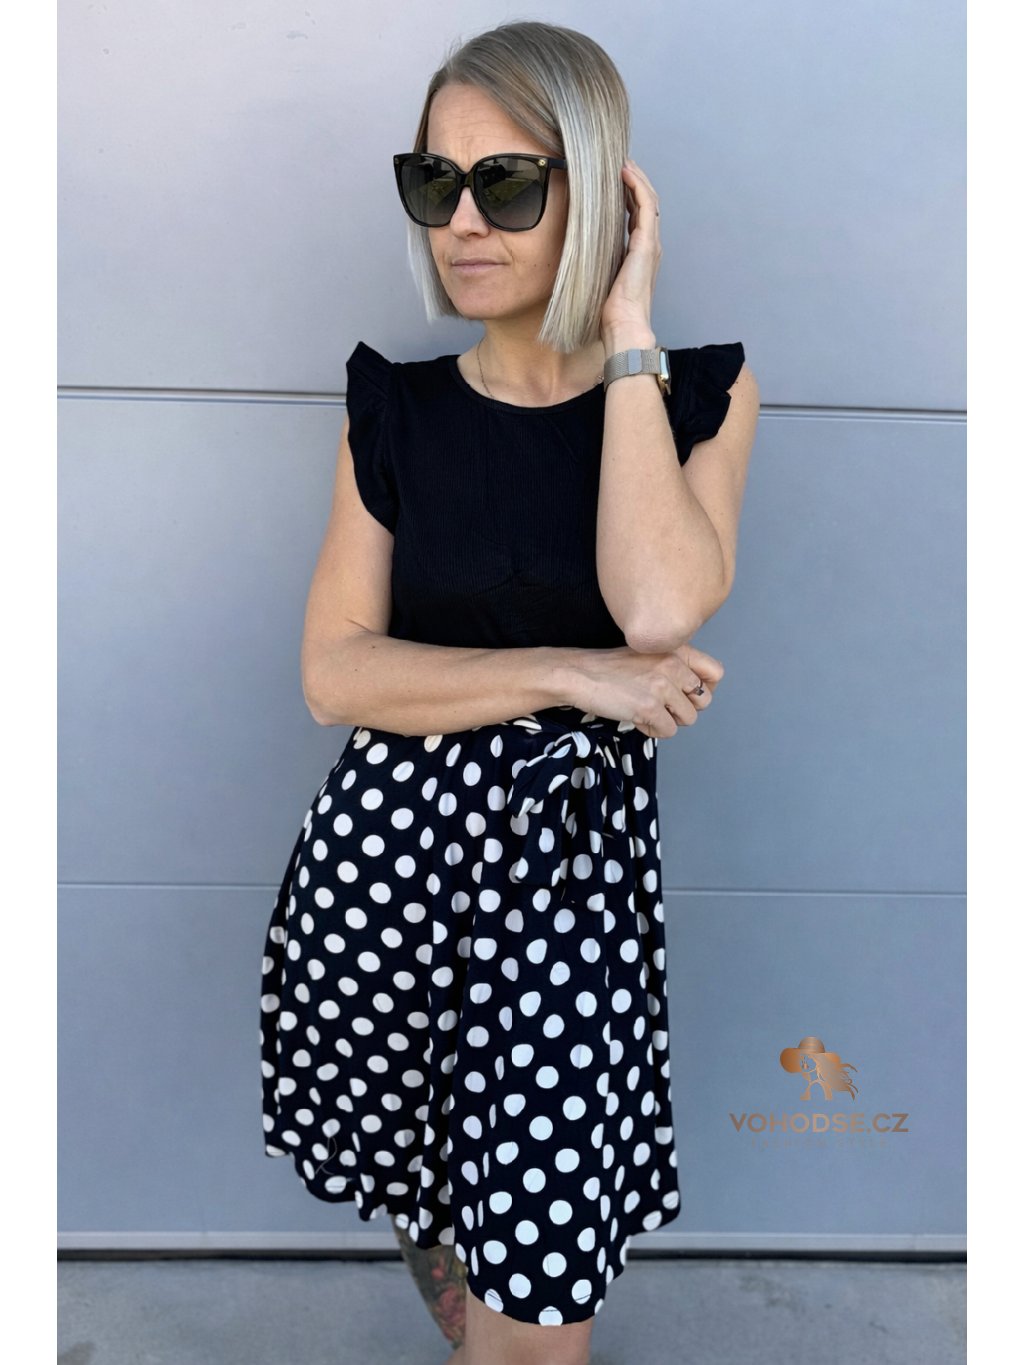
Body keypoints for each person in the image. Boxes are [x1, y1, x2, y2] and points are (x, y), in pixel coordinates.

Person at [259, 18, 759, 1365]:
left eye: (509, 183)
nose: (464, 222)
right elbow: (332, 673)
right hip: (385, 880)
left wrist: (630, 329)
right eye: (436, 183)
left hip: (567, 892)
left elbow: (660, 606)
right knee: (436, 1200)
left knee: (537, 1315)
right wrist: (573, 674)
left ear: (598, 192)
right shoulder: (397, 411)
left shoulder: (702, 395)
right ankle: (453, 1280)